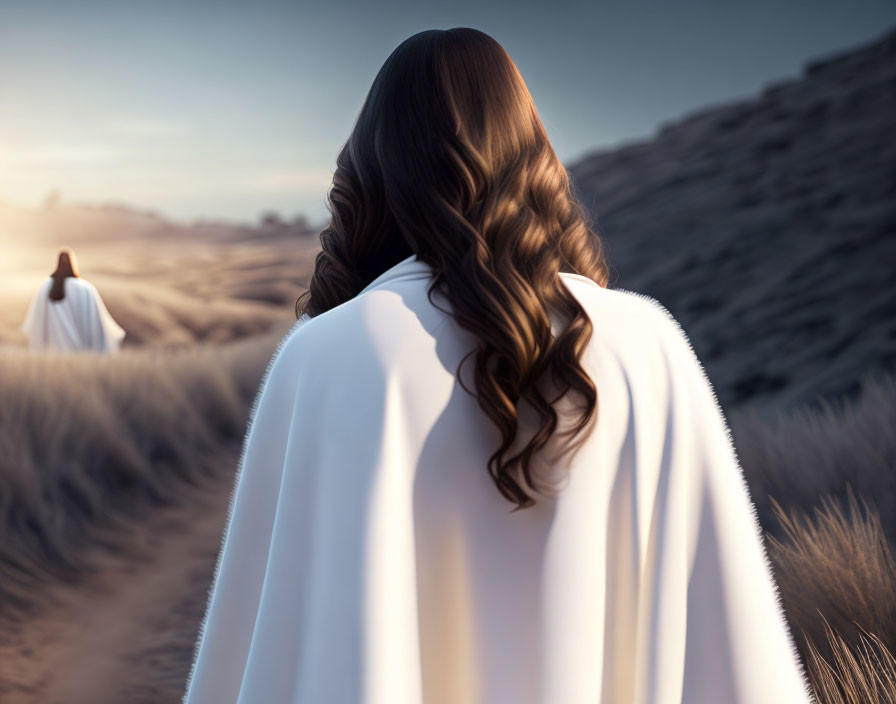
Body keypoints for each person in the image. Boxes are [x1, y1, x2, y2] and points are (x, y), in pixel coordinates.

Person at [183, 28, 812, 704]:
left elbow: (274, 639)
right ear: (534, 152)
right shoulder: (650, 345)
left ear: (373, 166)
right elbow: (728, 645)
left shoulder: (329, 354)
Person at [20, 248, 125, 355]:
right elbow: (96, 322)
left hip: (52, 352)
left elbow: (36, 321)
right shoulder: (85, 288)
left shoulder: (45, 287)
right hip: (81, 352)